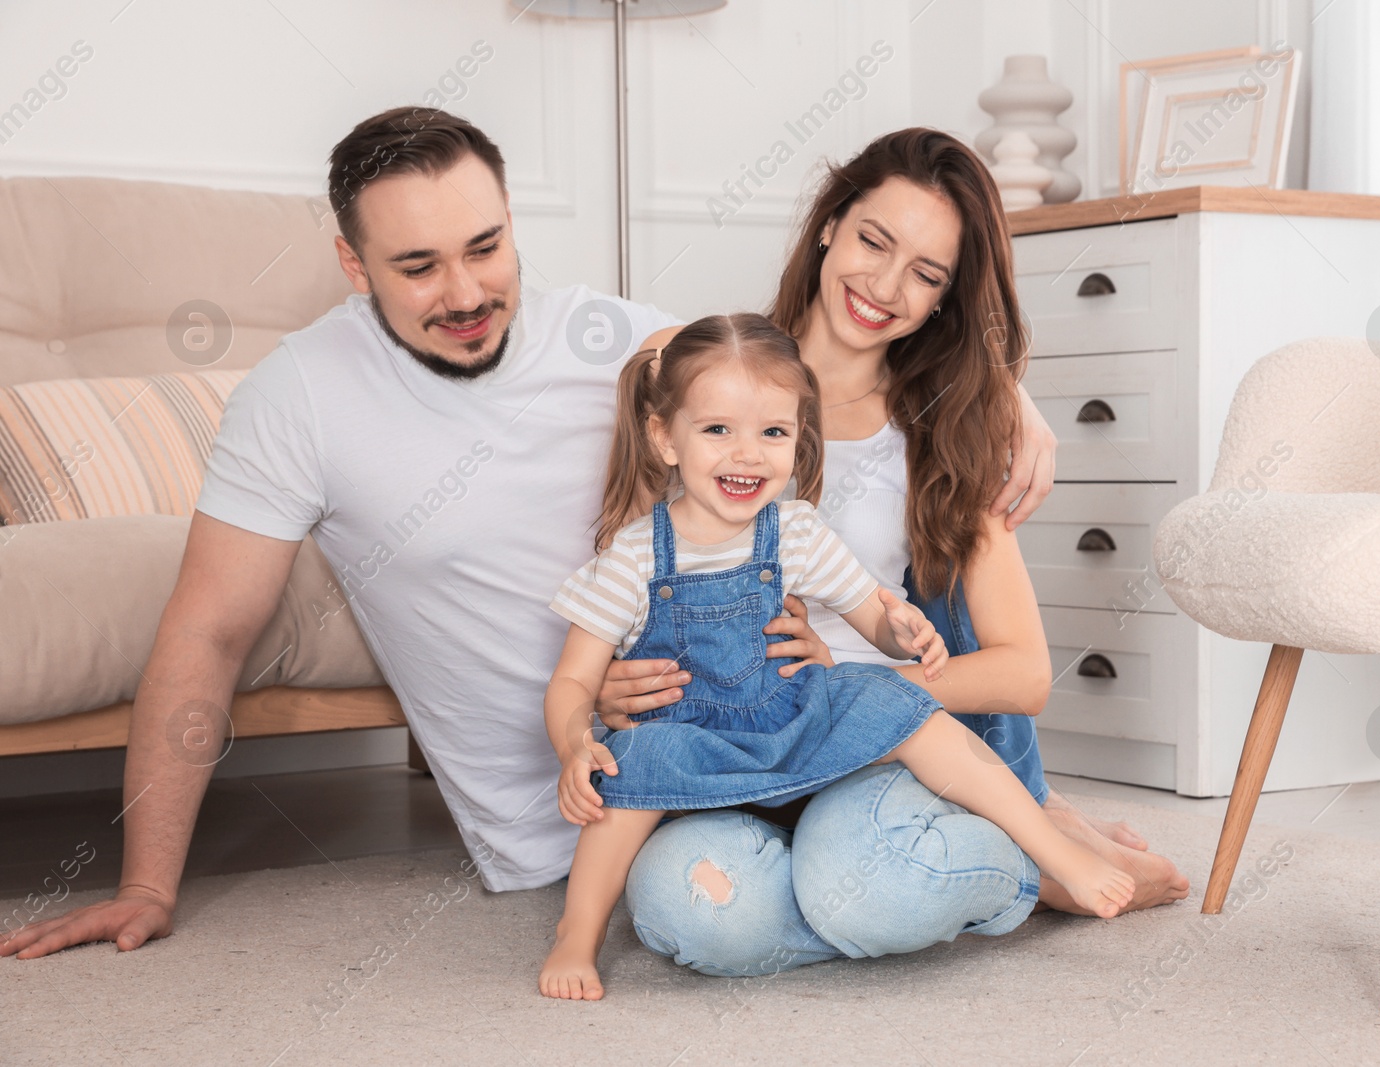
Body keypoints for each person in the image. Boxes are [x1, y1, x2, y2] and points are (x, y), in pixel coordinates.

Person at [0, 111, 1080, 962]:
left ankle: (998, 842)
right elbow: (204, 633)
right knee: (704, 923)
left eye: (487, 245)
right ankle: (978, 846)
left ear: (519, 220)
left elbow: (784, 383)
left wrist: (999, 393)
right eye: (417, 264)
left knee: (856, 872)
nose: (466, 292)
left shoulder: (613, 337)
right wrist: (144, 883)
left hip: (756, 732)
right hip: (612, 795)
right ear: (350, 259)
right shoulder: (298, 399)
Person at [604, 129, 1190, 979]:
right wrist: (615, 677)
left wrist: (853, 697)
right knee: (683, 909)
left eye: (927, 273)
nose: (884, 287)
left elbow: (1023, 672)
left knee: (859, 888)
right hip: (727, 741)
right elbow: (625, 564)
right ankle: (1015, 832)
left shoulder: (945, 430)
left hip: (876, 745)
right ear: (831, 224)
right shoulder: (688, 365)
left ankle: (1029, 864)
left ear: (948, 299)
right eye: (876, 241)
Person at [537, 314, 1138, 1000]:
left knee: (901, 702)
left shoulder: (793, 531)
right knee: (627, 771)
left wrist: (905, 629)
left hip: (790, 710)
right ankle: (575, 934)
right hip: (696, 738)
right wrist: (573, 743)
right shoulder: (635, 556)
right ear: (662, 437)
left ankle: (1052, 848)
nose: (747, 455)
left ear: (799, 439)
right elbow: (573, 679)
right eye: (716, 431)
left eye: (773, 432)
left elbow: (869, 610)